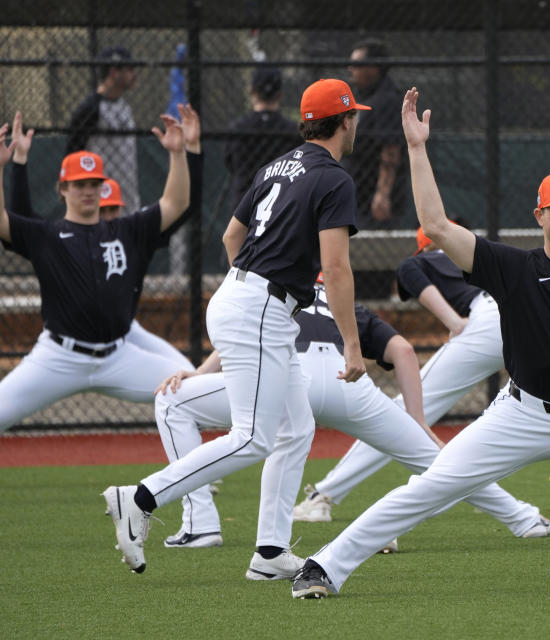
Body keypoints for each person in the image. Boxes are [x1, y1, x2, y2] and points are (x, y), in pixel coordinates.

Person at [290, 82, 550, 599]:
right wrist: (417, 149)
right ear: (540, 217)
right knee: (430, 488)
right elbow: (436, 227)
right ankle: (325, 565)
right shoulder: (512, 267)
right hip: (522, 416)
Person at [101, 78, 369, 575]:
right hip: (260, 306)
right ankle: (138, 498)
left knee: (296, 428)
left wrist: (251, 287)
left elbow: (232, 235)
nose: (357, 124)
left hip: (241, 293)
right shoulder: (334, 178)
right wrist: (351, 344)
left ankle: (269, 553)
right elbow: (335, 269)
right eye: (355, 116)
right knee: (253, 437)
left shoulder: (275, 166)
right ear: (345, 119)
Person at [153, 276, 550, 566]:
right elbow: (404, 352)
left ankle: (202, 524)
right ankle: (523, 518)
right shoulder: (348, 307)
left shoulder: (273, 292)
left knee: (175, 405)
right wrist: (417, 422)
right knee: (437, 462)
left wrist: (200, 373)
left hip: (291, 378)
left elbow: (247, 339)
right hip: (350, 386)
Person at [292, 222, 508, 523]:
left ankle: (324, 494)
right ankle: (527, 516)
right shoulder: (478, 258)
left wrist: (454, 323)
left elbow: (410, 271)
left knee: (402, 417)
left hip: (485, 324)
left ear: (427, 246)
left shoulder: (423, 257)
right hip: (519, 317)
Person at [0, 105, 197, 432]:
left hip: (118, 357)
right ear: (63, 190)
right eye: (79, 184)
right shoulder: (46, 235)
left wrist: (178, 154)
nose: (88, 191)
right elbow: (3, 222)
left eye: (94, 183)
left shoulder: (126, 230)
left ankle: (194, 484)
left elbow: (175, 205)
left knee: (190, 391)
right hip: (59, 357)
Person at [341, 38, 408, 229]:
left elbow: (391, 149)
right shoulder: (363, 97)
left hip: (372, 196)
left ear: (373, 68)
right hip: (356, 191)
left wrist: (382, 194)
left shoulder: (387, 100)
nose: (350, 68)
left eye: (356, 64)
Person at [67, 45, 141, 212]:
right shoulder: (90, 108)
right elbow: (72, 153)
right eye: (129, 69)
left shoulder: (125, 106)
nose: (133, 75)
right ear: (114, 72)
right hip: (100, 200)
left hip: (128, 197)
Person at [224, 66, 301, 212]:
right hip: (281, 208)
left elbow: (230, 163)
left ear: (252, 90)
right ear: (280, 94)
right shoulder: (292, 131)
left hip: (244, 209)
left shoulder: (238, 128)